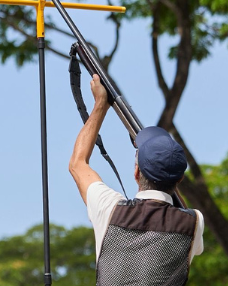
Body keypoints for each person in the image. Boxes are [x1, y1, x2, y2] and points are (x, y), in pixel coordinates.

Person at [69, 74, 204, 285]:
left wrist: (100, 105)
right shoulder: (194, 222)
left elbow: (78, 164)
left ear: (136, 173)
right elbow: (180, 211)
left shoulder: (109, 208)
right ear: (179, 180)